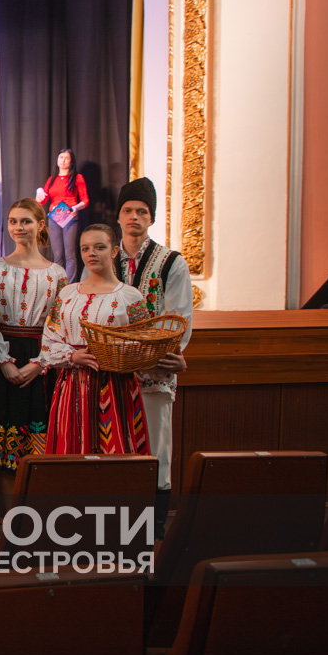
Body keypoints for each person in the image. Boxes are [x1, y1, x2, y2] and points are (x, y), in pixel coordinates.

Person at [114, 177, 192, 536]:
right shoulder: (103, 256)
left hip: (154, 371)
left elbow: (179, 318)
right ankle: (115, 521)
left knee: (156, 445)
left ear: (152, 218)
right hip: (112, 369)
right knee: (114, 443)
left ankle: (155, 525)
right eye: (128, 210)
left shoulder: (171, 262)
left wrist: (166, 354)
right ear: (118, 217)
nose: (134, 217)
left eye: (142, 211)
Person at [41, 224, 150, 455]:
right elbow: (49, 337)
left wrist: (114, 354)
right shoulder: (67, 293)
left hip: (114, 386)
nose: (91, 253)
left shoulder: (130, 296)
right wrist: (72, 355)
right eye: (85, 248)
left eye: (100, 247)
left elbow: (144, 341)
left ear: (114, 251)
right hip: (72, 384)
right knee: (71, 448)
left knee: (112, 447)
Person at [0, 200, 68, 478]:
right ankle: (2, 500)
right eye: (13, 221)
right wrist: (3, 361)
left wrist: (40, 363)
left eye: (26, 221)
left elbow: (59, 323)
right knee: (0, 424)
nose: (18, 227)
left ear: (40, 225)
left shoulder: (57, 273)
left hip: (39, 355)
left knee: (37, 426)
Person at [37, 149, 89, 281]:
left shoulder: (77, 178)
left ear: (71, 162)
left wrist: (75, 207)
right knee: (58, 255)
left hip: (69, 216)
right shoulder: (52, 179)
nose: (63, 160)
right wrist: (39, 192)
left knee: (70, 255)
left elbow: (85, 200)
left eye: (66, 158)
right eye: (61, 157)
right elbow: (42, 201)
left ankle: (69, 284)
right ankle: (58, 282)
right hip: (54, 218)